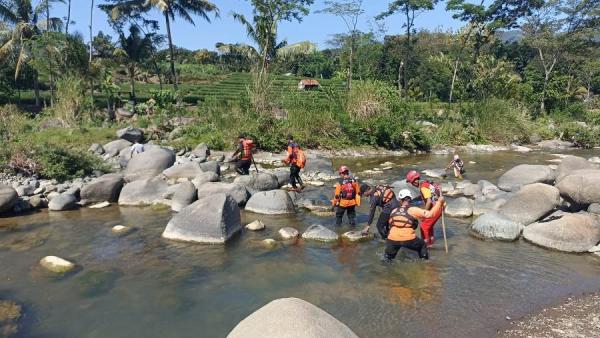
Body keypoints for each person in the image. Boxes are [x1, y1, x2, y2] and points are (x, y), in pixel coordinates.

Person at [384, 189, 445, 262]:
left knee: (387, 259)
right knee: (422, 244)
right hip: (408, 238)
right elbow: (430, 215)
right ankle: (425, 263)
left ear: (400, 200)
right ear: (410, 199)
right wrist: (439, 202)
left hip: (392, 238)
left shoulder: (394, 210)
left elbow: (390, 224)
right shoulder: (413, 210)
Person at [406, 170, 443, 247]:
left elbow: (429, 201)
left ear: (415, 181)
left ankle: (427, 245)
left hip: (436, 208)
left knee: (424, 226)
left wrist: (424, 213)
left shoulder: (423, 187)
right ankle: (431, 241)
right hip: (439, 206)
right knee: (429, 225)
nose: (412, 184)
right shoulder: (426, 183)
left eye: (411, 182)